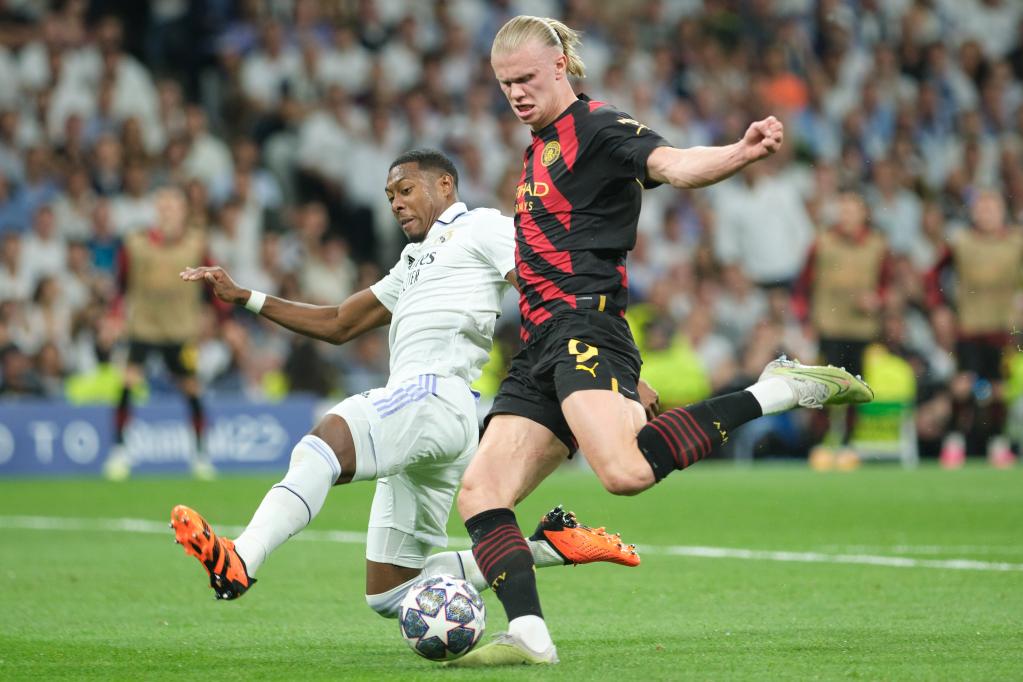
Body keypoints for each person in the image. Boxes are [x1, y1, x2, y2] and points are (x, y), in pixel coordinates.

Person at [448, 16, 874, 667]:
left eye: (526, 78)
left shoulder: (598, 127)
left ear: (560, 65)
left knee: (623, 473)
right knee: (480, 493)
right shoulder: (539, 148)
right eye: (505, 84)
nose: (516, 93)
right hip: (538, 347)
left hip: (584, 329)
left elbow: (673, 164)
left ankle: (779, 389)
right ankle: (530, 635)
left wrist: (738, 152)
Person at [170, 150, 645, 622]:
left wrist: (612, 373)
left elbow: (545, 292)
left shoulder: (482, 226)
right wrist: (245, 297)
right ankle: (549, 545)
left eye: (405, 190)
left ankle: (243, 557)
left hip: (434, 393)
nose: (396, 203)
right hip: (435, 417)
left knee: (323, 443)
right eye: (390, 196)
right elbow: (339, 322)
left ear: (445, 185)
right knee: (391, 592)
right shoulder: (413, 259)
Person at [103, 187, 218, 481]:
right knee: (128, 382)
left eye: (173, 207)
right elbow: (120, 285)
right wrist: (114, 316)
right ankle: (119, 451)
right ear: (155, 211)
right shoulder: (135, 244)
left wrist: (219, 318)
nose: (167, 213)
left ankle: (200, 454)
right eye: (162, 207)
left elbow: (212, 284)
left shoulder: (196, 243)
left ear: (183, 212)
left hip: (181, 329)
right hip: (143, 327)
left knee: (191, 389)